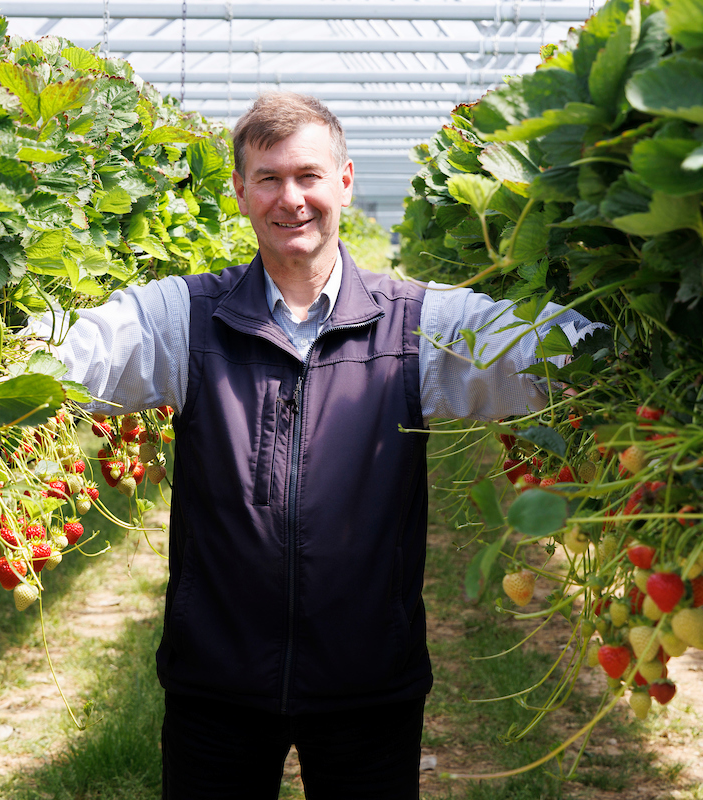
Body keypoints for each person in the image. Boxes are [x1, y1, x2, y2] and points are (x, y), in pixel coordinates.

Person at [31, 92, 597, 799]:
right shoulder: (186, 318)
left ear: (346, 182)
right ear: (239, 191)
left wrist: (635, 344)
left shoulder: (415, 324)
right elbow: (77, 349)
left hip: (368, 682)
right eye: (268, 178)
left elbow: (543, 351)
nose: (290, 199)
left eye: (308, 176)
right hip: (217, 683)